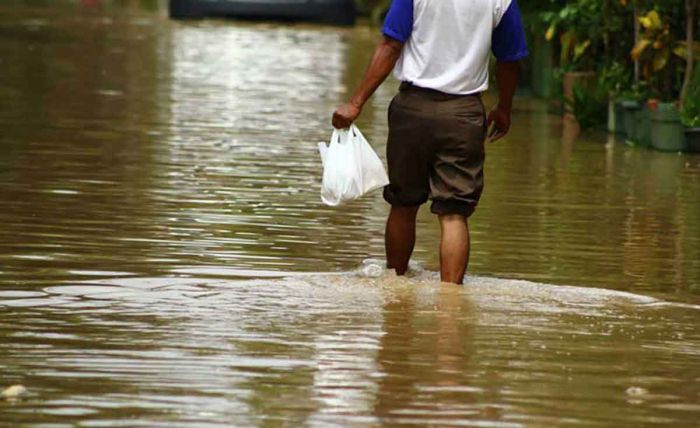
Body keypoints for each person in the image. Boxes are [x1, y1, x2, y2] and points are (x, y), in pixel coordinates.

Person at [332, 0, 528, 284]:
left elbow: (390, 45)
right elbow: (510, 60)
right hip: (463, 116)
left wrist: (355, 103)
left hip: (412, 109)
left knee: (403, 204)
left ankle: (395, 289)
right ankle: (451, 303)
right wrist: (504, 108)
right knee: (453, 214)